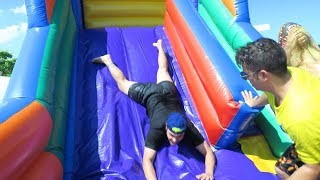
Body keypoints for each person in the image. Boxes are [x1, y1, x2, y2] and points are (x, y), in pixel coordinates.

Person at [92, 39, 216, 180]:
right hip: (150, 94)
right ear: (166, 127)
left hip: (168, 91)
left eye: (179, 136)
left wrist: (209, 172)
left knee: (163, 70)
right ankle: (107, 61)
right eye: (172, 135)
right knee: (122, 83)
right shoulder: (157, 128)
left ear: (184, 131)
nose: (175, 140)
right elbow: (147, 160)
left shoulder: (187, 126)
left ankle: (160, 46)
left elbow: (208, 153)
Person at [236, 38, 320, 179]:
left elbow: (314, 168)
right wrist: (254, 103)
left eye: (246, 75)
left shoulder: (299, 117)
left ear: (263, 75)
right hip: (311, 134)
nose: (247, 79)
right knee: (281, 170)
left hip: (312, 141)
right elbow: (269, 94)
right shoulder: (288, 75)